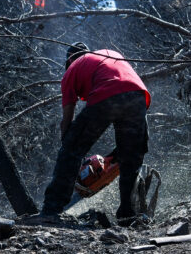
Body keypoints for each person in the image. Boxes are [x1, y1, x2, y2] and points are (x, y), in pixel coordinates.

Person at [37, 42, 150, 224]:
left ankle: (51, 209)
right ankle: (128, 216)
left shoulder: (73, 67)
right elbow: (122, 87)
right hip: (137, 96)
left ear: (69, 59)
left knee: (71, 149)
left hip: (108, 95)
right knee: (131, 158)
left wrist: (68, 145)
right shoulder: (109, 53)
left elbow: (67, 117)